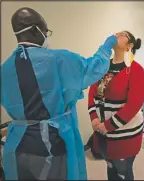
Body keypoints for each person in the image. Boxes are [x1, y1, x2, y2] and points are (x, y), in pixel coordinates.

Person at [1, 7, 118, 180]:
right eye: (46, 31)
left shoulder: (4, 69)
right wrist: (106, 47)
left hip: (17, 145)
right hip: (52, 144)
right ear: (36, 30)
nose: (47, 36)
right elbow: (92, 69)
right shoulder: (58, 59)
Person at [88, 31, 144, 180]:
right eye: (116, 32)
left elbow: (134, 104)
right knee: (111, 169)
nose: (116, 34)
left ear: (130, 45)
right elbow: (92, 92)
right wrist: (94, 118)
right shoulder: (104, 66)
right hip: (103, 132)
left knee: (123, 172)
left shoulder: (135, 69)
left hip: (124, 135)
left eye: (122, 35)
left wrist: (109, 125)